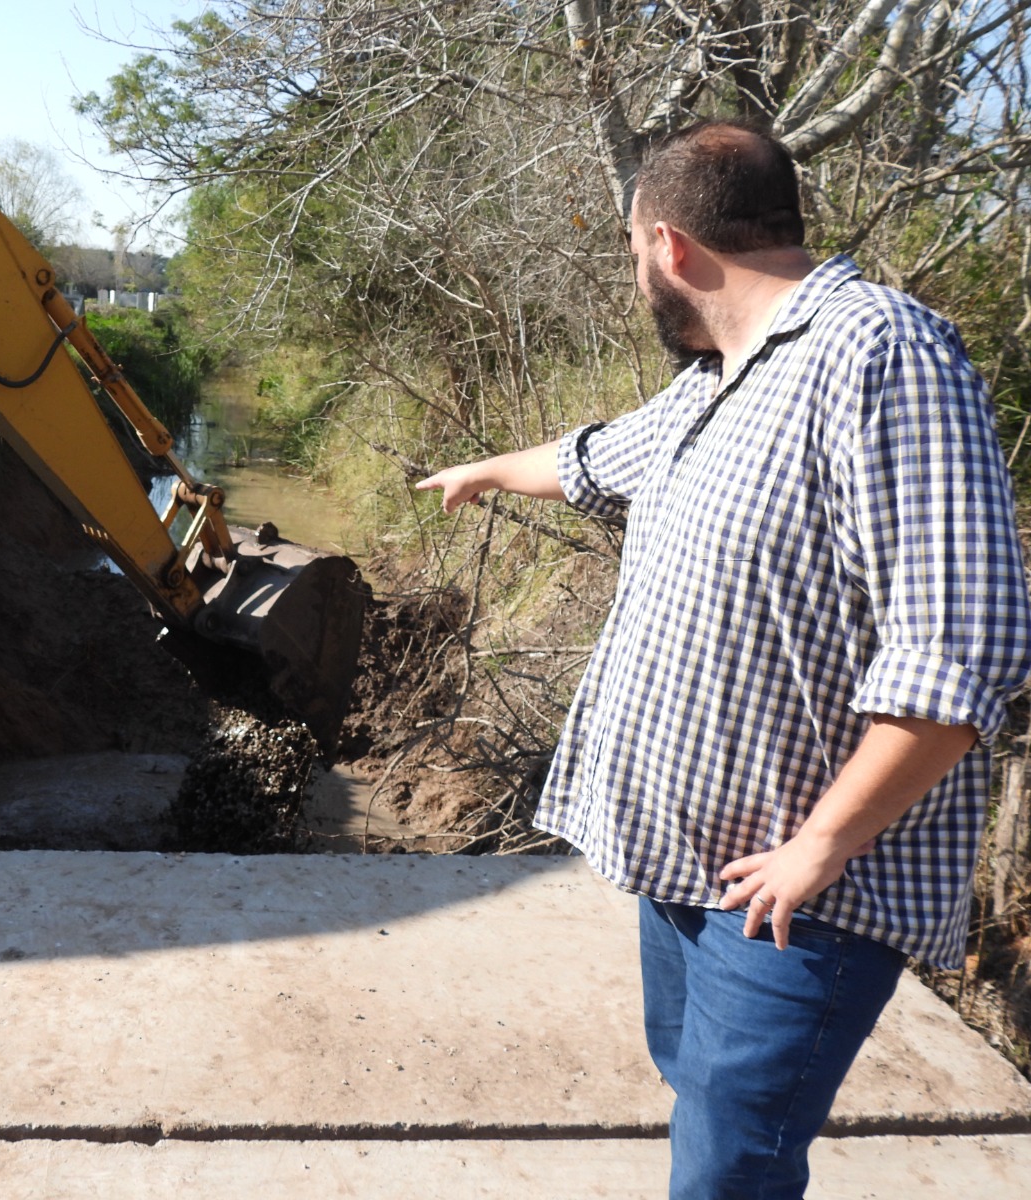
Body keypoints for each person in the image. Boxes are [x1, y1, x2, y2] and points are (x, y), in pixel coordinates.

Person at [418, 120, 1031, 1198]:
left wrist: (818, 849)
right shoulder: (718, 379)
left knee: (727, 1171)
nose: (633, 273)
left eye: (628, 252)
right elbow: (596, 462)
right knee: (702, 1113)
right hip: (686, 872)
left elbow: (958, 654)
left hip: (797, 900)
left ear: (669, 247)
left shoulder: (884, 356)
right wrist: (483, 470)